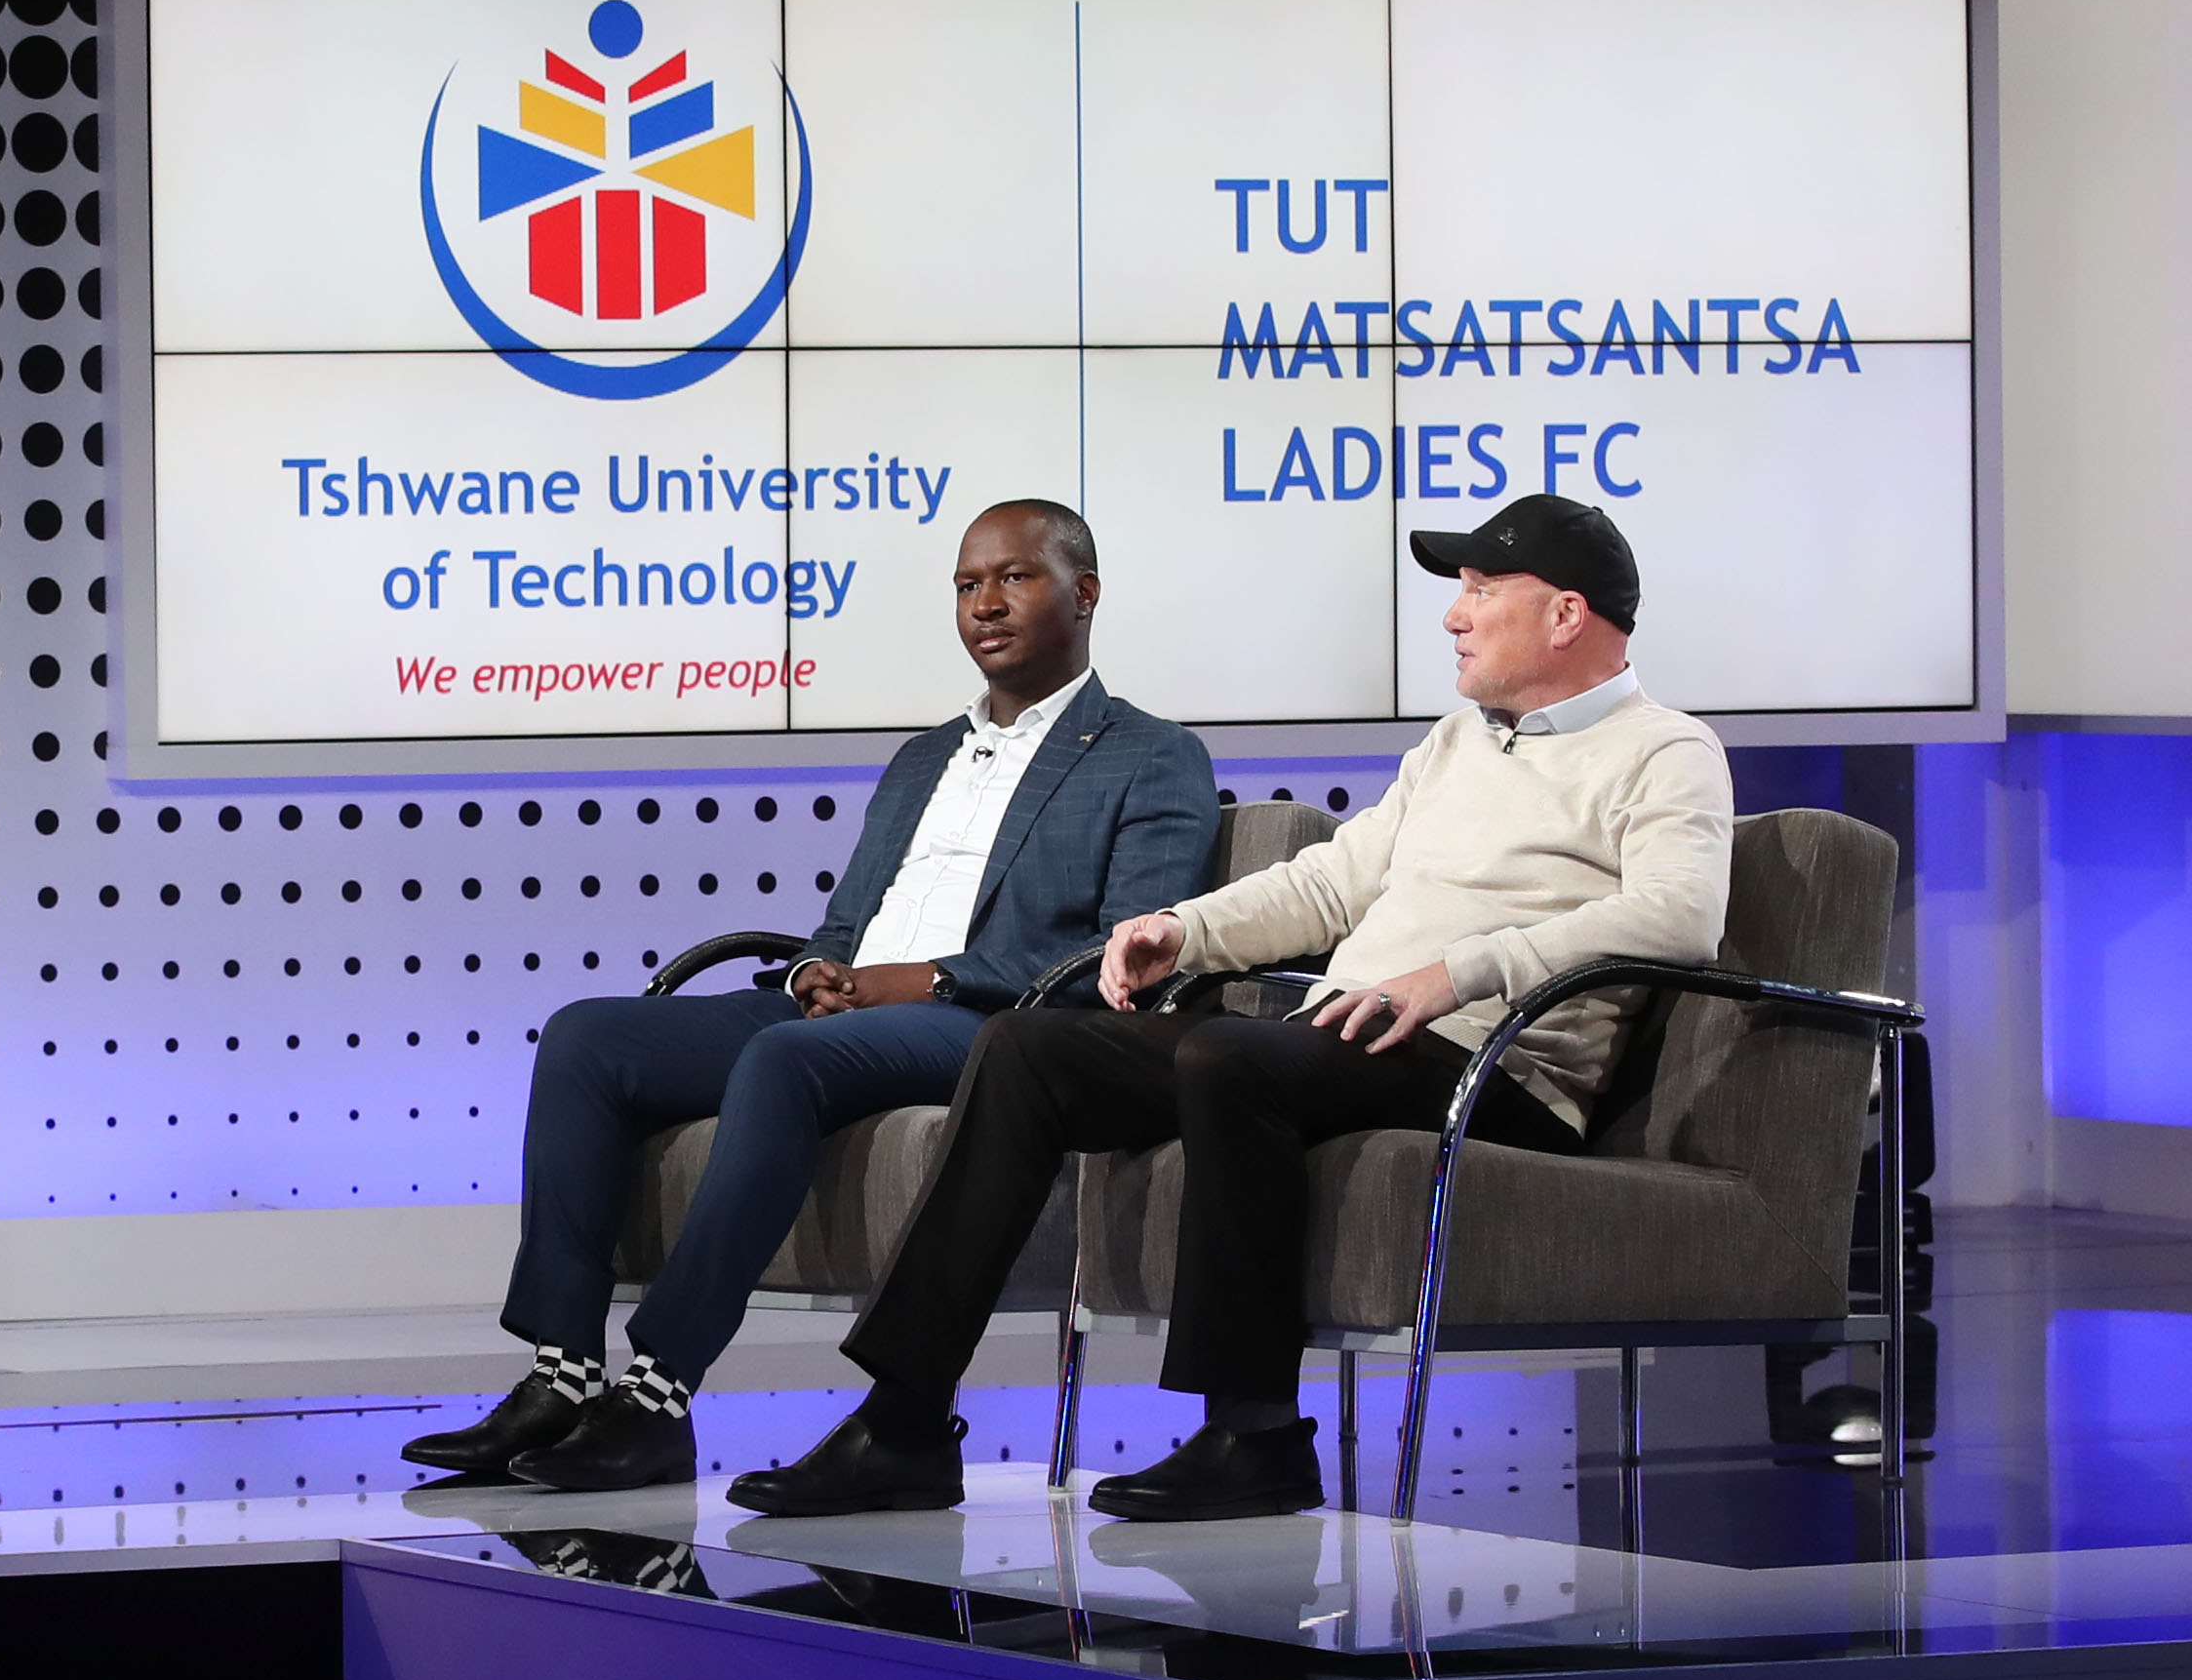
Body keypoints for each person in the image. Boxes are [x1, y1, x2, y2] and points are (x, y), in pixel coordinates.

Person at [737, 493, 1731, 1523]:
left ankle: (1255, 1437)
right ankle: (902, 1420)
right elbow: (1329, 884)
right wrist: (1184, 930)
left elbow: (1679, 915)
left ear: (1564, 614)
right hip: (1357, 1037)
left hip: (1496, 1066)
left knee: (1226, 1055)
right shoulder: (1454, 744)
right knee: (1028, 1046)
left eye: (1481, 590)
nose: (1453, 614)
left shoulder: (1663, 748)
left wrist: (1459, 972)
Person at [402, 500, 1216, 1492]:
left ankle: (656, 1395)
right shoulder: (923, 757)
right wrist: (816, 973)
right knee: (587, 1038)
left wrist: (924, 980)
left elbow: (1122, 951)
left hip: (993, 1026)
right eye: (967, 585)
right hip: (852, 1008)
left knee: (784, 1056)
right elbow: (843, 922)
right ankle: (562, 1376)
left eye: (1014, 577)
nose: (985, 604)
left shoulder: (1149, 752)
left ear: (1082, 593)